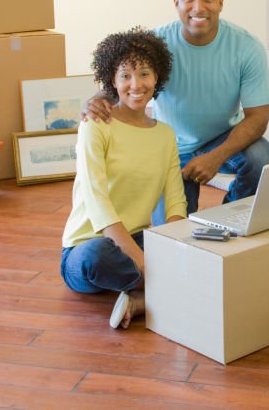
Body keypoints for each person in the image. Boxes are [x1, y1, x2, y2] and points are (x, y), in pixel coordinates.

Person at [84, 0, 269, 219]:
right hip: (169, 144)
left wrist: (215, 157)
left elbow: (258, 117)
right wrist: (96, 99)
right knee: (170, 229)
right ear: (176, 2)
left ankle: (229, 216)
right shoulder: (154, 43)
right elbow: (122, 82)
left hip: (221, 136)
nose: (198, 7)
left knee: (263, 159)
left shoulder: (247, 47)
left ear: (221, 1)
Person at [60, 28, 186, 329]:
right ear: (112, 81)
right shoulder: (95, 125)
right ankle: (166, 289)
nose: (136, 84)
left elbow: (175, 199)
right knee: (95, 256)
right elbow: (96, 202)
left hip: (141, 237)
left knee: (198, 247)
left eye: (144, 73)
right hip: (89, 246)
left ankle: (142, 299)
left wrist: (174, 247)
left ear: (157, 78)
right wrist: (144, 263)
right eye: (125, 75)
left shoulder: (165, 135)